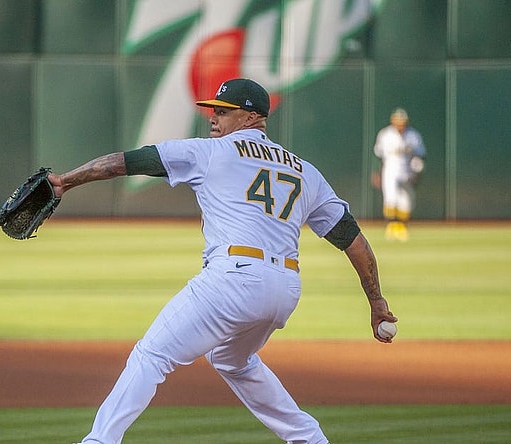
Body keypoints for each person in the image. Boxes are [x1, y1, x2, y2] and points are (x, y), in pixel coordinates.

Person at [50, 78, 397, 444]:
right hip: (284, 289)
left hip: (234, 278)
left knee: (151, 354)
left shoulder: (209, 152)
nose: (213, 117)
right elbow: (353, 241)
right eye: (213, 109)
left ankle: (99, 441)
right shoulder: (304, 171)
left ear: (251, 117)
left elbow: (123, 163)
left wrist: (67, 181)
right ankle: (310, 439)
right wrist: (376, 301)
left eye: (223, 111)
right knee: (232, 359)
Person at [373, 108, 426, 241]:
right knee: (391, 198)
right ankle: (391, 227)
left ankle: (402, 227)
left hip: (407, 170)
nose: (400, 124)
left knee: (406, 201)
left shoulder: (413, 136)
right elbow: (378, 155)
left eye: (402, 122)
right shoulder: (385, 134)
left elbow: (420, 155)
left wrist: (417, 172)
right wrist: (377, 172)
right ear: (393, 121)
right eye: (398, 121)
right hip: (390, 169)